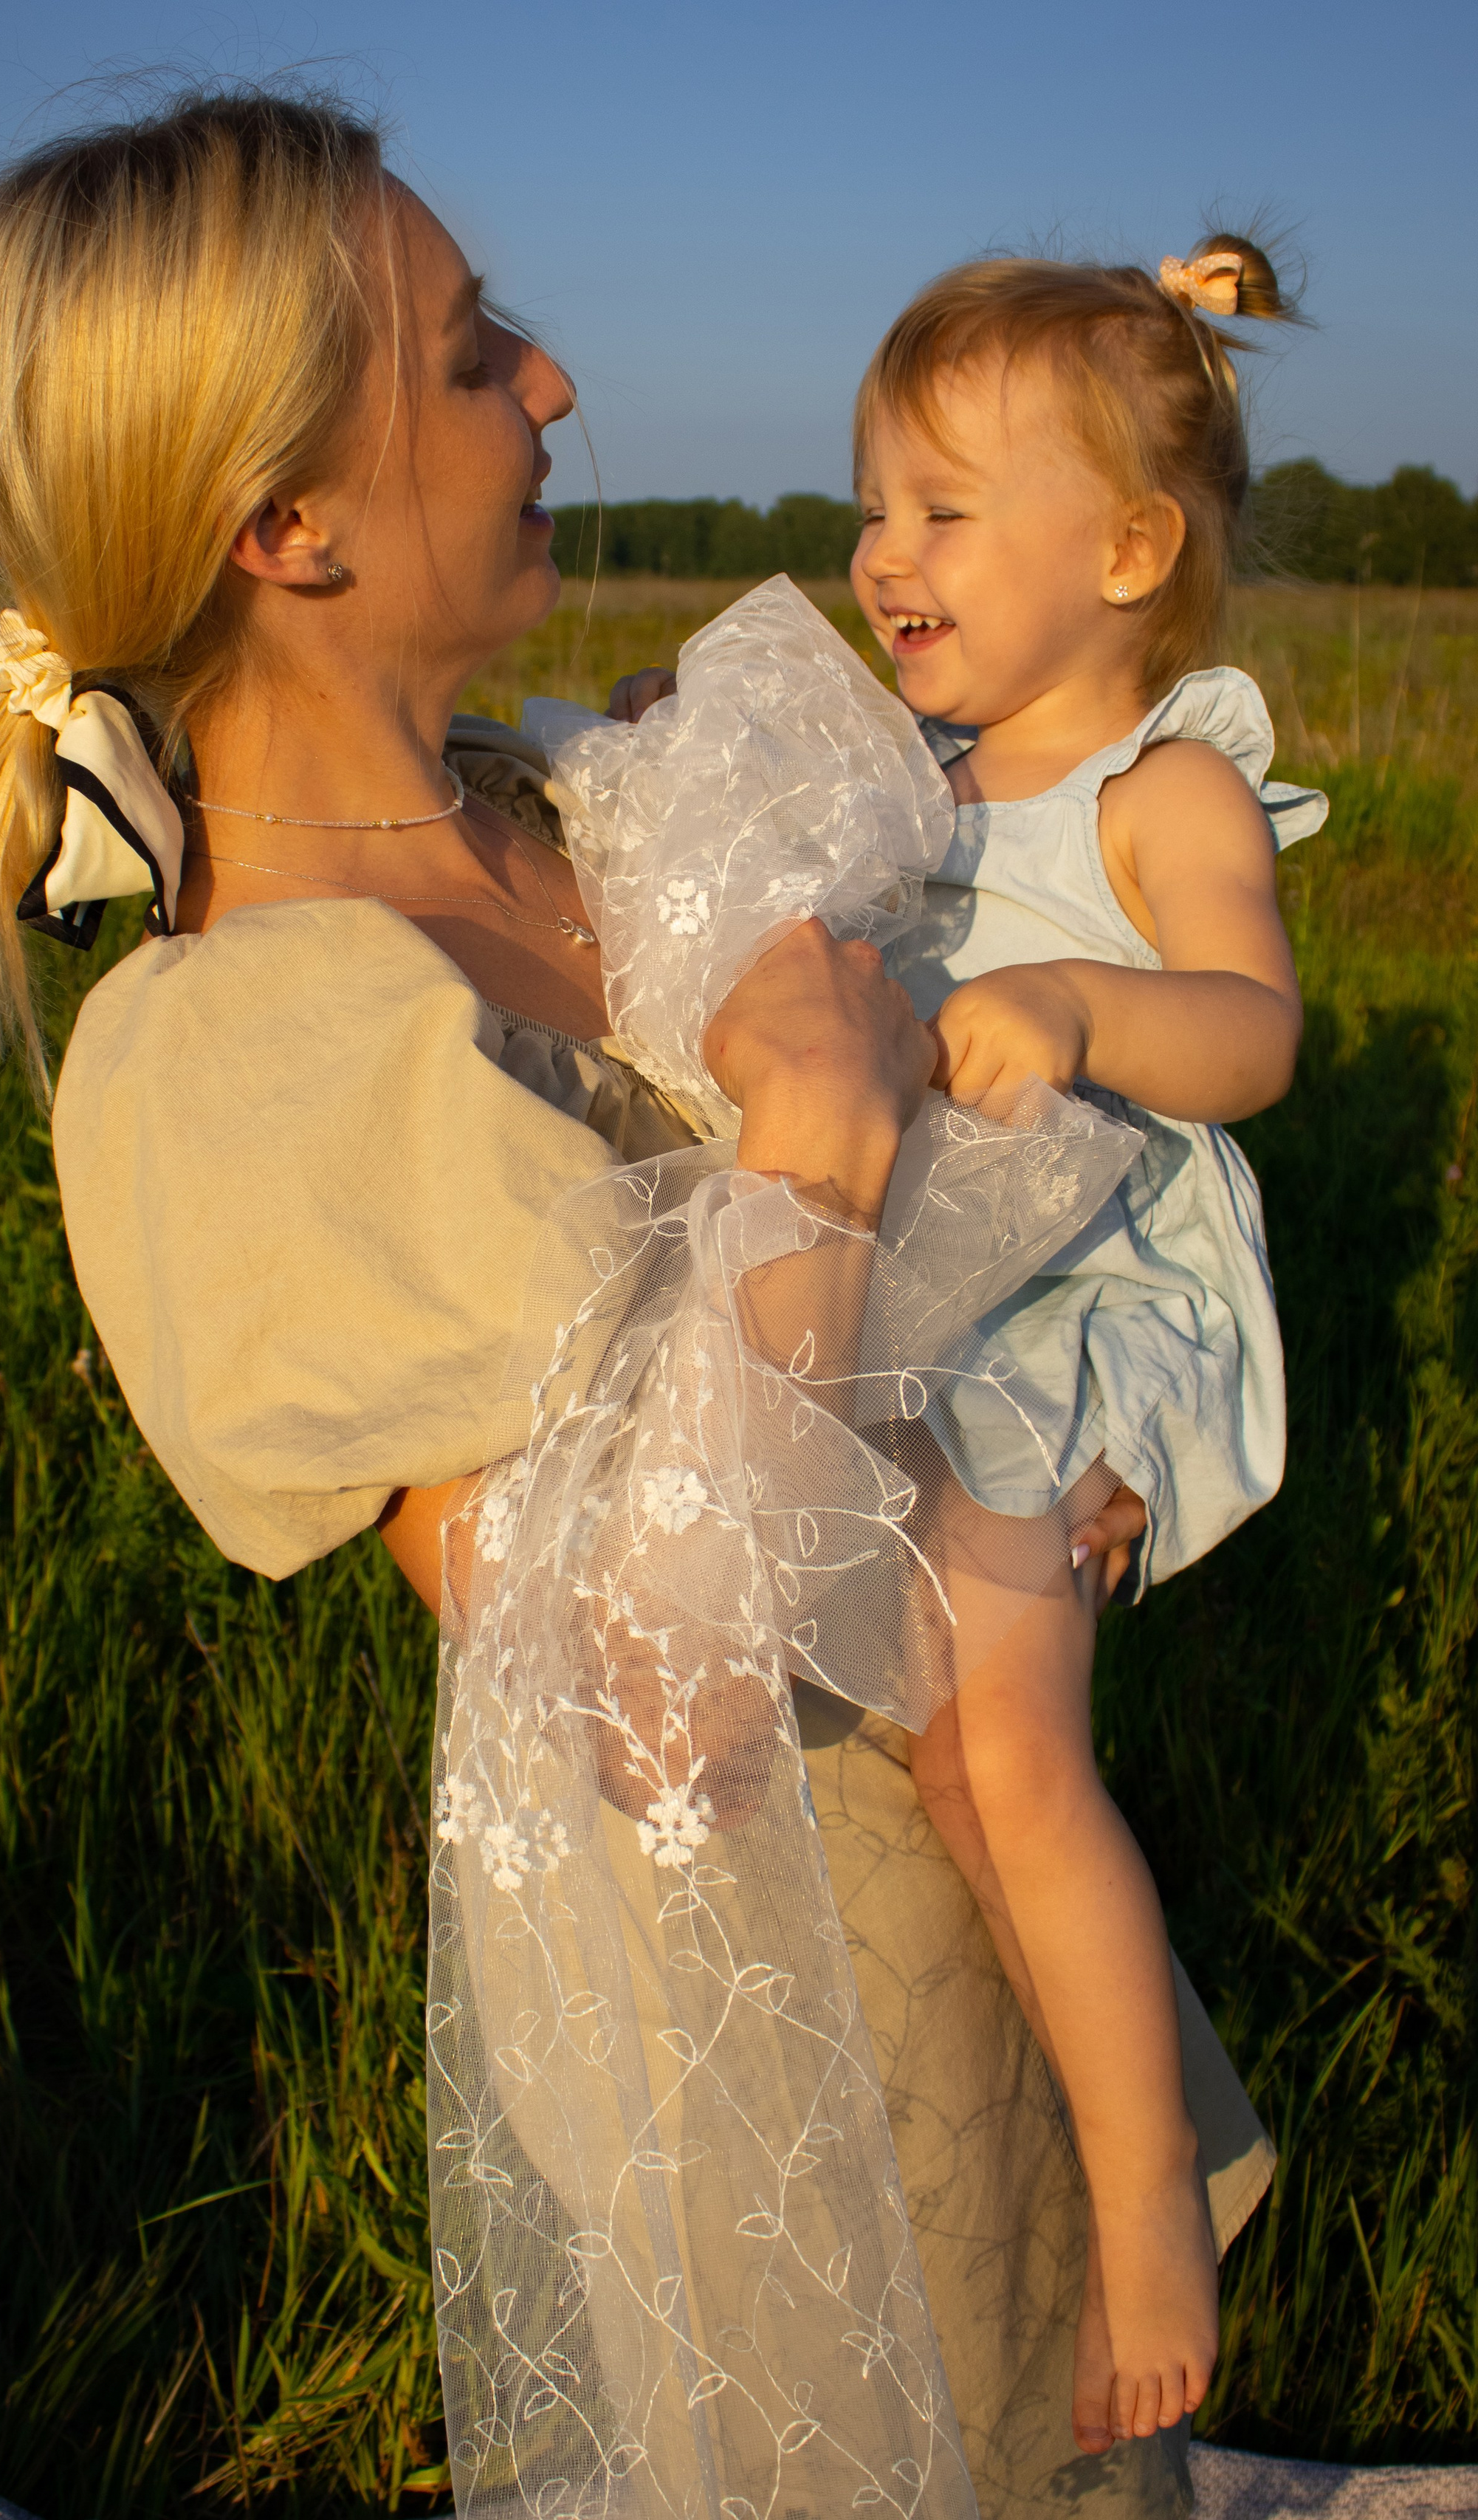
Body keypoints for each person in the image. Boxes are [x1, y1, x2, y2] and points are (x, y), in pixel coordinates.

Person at [0, 91, 1274, 2519]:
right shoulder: (238, 1051)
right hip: (784, 2040)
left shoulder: (574, 815)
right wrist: (817, 1134)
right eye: (476, 354)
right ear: (288, 522)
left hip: (982, 1881)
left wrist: (1070, 1413)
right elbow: (653, 1697)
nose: (553, 385)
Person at [601, 240, 1322, 2464]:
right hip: (952, 1280)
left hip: (1092, 1283)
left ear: (1128, 551)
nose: (879, 557)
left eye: (939, 511)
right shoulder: (914, 772)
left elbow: (1258, 1038)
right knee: (937, 1752)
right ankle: (1069, 2133)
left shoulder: (1159, 796)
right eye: (870, 508)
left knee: (1006, 1743)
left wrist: (1089, 1007)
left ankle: (1154, 2205)